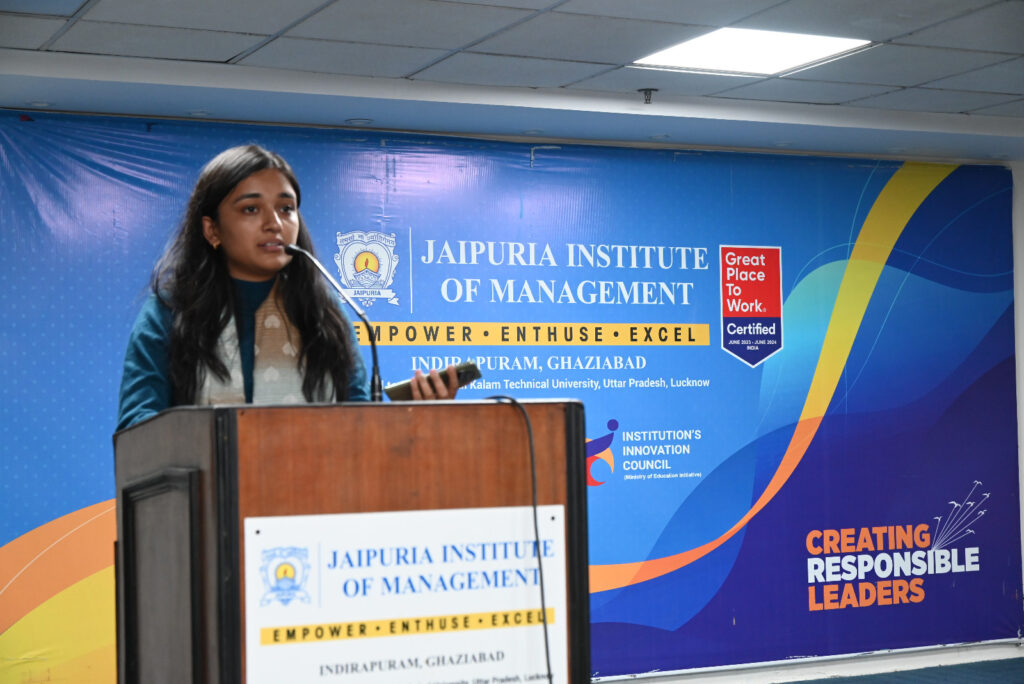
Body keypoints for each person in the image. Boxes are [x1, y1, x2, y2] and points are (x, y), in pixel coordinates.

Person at [117, 144, 456, 431]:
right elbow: (137, 425)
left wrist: (420, 415)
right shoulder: (171, 310)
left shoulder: (323, 313)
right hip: (205, 488)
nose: (274, 224)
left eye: (286, 208)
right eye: (251, 209)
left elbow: (359, 424)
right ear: (212, 230)